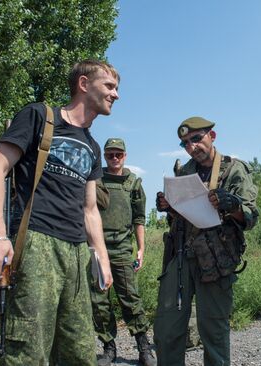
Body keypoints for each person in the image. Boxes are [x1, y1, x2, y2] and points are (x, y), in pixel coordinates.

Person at [0, 59, 119, 365]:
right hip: (38, 244)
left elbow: (90, 209)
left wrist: (102, 258)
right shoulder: (40, 116)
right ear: (83, 84)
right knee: (27, 351)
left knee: (79, 350)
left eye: (116, 88)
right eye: (109, 86)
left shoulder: (93, 147)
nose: (115, 94)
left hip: (78, 253)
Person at [154, 117, 259, 366]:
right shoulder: (184, 171)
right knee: (167, 329)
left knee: (214, 331)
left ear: (212, 136)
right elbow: (182, 215)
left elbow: (251, 216)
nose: (191, 147)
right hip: (180, 256)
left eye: (196, 139)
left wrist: (232, 205)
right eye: (185, 144)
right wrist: (168, 207)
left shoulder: (233, 169)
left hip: (215, 259)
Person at [90, 137, 155, 366]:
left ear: (125, 156)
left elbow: (139, 219)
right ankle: (109, 347)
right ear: (105, 157)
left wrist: (141, 249)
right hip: (97, 249)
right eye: (110, 155)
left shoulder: (133, 183)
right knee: (99, 301)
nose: (114, 158)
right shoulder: (95, 181)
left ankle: (144, 346)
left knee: (130, 297)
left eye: (118, 154)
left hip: (122, 249)